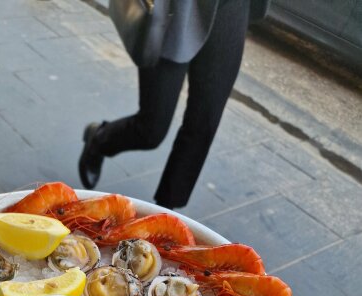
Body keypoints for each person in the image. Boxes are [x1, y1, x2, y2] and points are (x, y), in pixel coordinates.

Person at [79, 0, 270, 210]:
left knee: (204, 121)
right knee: (151, 130)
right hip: (177, 8)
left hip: (230, 7)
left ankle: (167, 215)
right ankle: (99, 138)